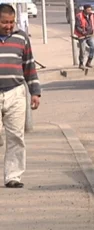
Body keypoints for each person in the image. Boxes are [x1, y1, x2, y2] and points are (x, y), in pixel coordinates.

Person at [0, 4, 41, 188]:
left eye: (11, 22)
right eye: (4, 22)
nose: (8, 26)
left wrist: (35, 92)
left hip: (15, 92)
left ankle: (13, 176)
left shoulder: (21, 38)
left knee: (16, 136)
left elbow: (29, 66)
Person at [74, 4, 94, 69]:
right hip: (82, 36)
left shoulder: (91, 15)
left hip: (90, 35)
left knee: (93, 48)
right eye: (88, 10)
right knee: (82, 50)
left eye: (90, 9)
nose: (89, 11)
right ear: (84, 10)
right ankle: (81, 63)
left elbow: (93, 23)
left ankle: (89, 62)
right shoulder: (79, 16)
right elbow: (77, 27)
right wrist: (83, 32)